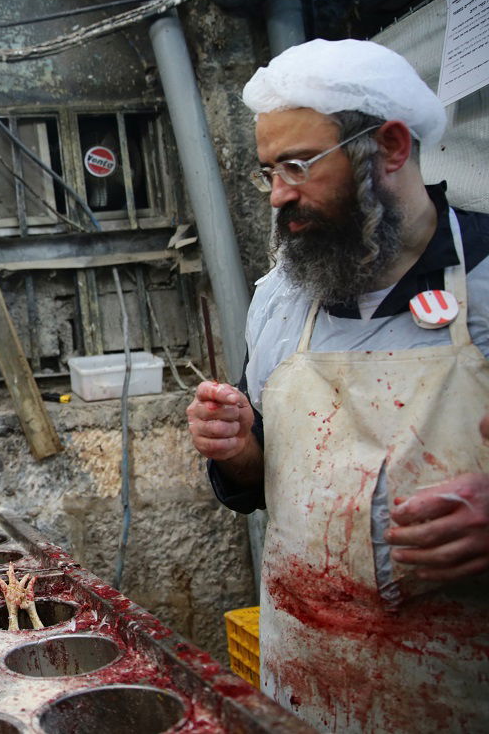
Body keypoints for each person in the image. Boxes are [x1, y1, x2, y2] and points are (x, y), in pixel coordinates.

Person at [186, 38, 489, 732]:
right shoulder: (280, 299)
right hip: (307, 691)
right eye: (269, 171)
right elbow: (267, 481)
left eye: (298, 165)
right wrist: (237, 447)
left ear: (390, 146)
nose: (279, 195)